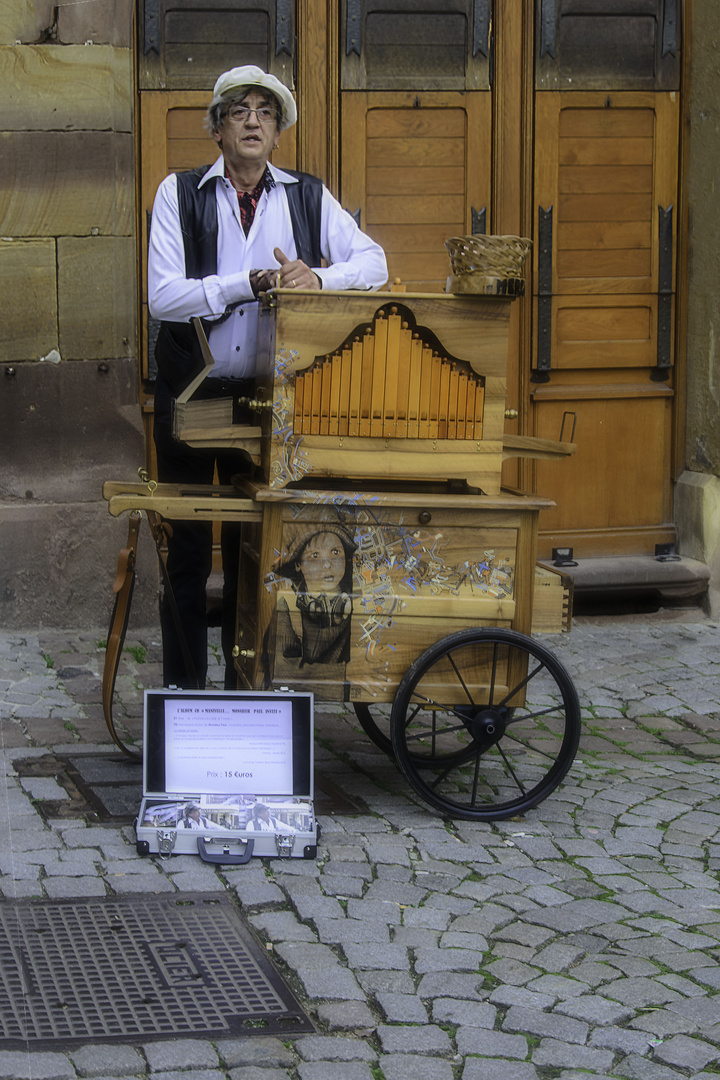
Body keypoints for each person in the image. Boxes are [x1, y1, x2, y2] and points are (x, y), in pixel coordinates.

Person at [147, 65, 388, 690]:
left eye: (265, 111)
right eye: (238, 110)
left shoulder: (307, 196)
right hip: (193, 397)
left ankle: (244, 694)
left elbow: (375, 262)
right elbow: (163, 298)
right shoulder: (179, 193)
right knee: (189, 556)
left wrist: (318, 277)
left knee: (260, 553)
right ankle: (183, 697)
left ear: (278, 131)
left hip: (273, 404)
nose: (253, 120)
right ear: (218, 128)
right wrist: (241, 285)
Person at [273, 524, 357, 666]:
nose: (327, 564)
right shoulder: (286, 607)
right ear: (298, 563)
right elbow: (283, 666)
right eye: (315, 555)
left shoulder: (357, 603)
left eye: (335, 552)